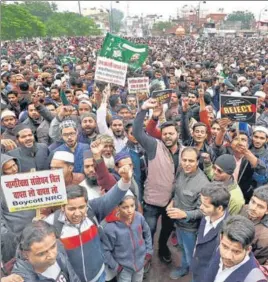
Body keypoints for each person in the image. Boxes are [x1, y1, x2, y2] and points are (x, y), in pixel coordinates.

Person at [45, 162, 133, 282]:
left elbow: (113, 196)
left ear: (87, 204)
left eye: (81, 207)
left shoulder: (93, 210)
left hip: (99, 276)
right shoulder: (50, 223)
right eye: (71, 209)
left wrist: (126, 179)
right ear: (62, 207)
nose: (77, 213)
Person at [133, 98, 180, 264]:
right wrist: (144, 109)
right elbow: (137, 133)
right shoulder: (154, 146)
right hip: (152, 201)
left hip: (172, 203)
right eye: (165, 133)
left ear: (177, 134)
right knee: (149, 230)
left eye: (171, 133)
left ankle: (162, 248)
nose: (167, 136)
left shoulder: (185, 153)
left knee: (166, 230)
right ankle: (146, 255)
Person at [167, 147, 209, 279]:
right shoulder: (181, 171)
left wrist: (184, 214)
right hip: (178, 224)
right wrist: (172, 203)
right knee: (182, 249)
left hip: (191, 229)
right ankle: (184, 269)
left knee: (192, 257)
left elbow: (203, 211)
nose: (187, 163)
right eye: (184, 160)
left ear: (197, 162)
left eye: (191, 161)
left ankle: (195, 277)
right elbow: (177, 192)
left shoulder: (203, 183)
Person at [102, 191, 153, 282]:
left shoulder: (139, 218)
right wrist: (116, 267)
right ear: (117, 208)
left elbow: (147, 233)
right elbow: (105, 250)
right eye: (125, 207)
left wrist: (148, 251)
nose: (130, 210)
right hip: (124, 269)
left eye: (132, 206)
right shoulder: (110, 228)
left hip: (140, 264)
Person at [202, 215, 267, 282]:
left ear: (248, 250)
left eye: (236, 251)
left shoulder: (255, 279)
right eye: (225, 247)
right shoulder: (219, 247)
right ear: (221, 238)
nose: (227, 256)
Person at [11, 221, 81, 282]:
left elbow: (73, 277)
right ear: (25, 254)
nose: (52, 255)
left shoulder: (59, 248)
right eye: (41, 254)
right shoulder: (21, 279)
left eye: (53, 247)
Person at [191, 183, 230, 282]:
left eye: (205, 205)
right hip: (197, 269)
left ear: (220, 208)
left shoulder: (227, 231)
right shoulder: (207, 214)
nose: (200, 207)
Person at [240, 186, 268, 264]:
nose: (253, 208)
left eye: (260, 206)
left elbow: (255, 262)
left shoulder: (264, 236)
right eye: (253, 202)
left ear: (267, 211)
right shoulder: (245, 209)